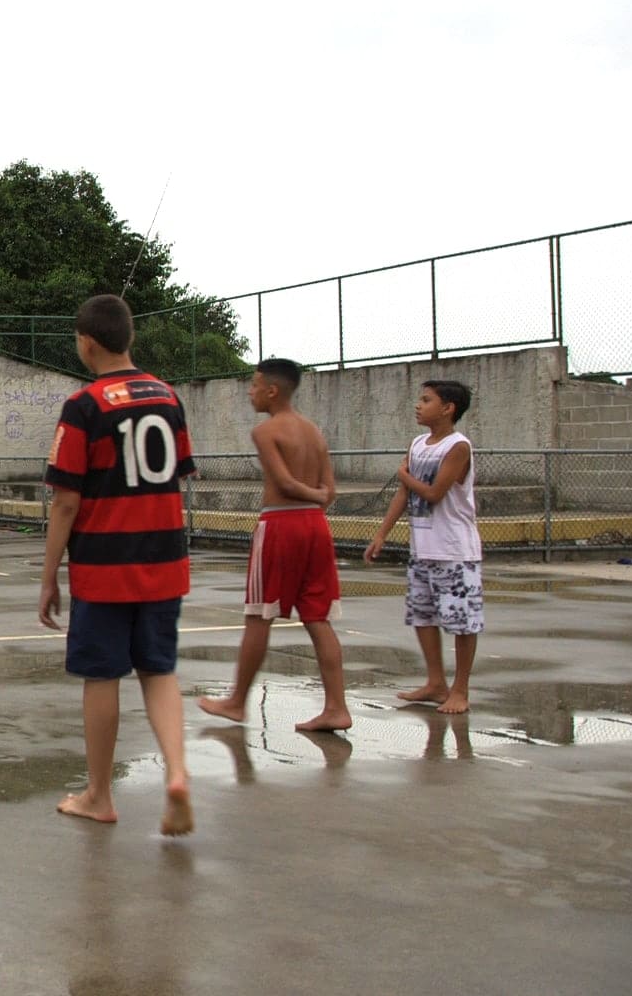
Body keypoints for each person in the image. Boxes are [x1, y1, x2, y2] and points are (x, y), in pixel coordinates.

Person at [38, 294, 195, 835]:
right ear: (130, 337)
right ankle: (176, 772)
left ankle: (100, 795)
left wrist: (49, 575)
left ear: (85, 341)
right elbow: (178, 472)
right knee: (159, 670)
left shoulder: (84, 406)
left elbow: (65, 501)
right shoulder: (168, 397)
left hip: (104, 564)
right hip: (164, 557)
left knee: (102, 674)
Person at [197, 358, 353, 732]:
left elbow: (283, 483)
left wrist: (309, 494)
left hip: (281, 525)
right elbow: (329, 491)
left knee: (258, 613)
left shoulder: (266, 432)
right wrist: (316, 497)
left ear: (272, 390)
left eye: (253, 385)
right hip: (316, 526)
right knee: (317, 616)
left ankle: (236, 701)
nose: (250, 392)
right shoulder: (313, 431)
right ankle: (336, 707)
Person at [365, 379, 483, 714]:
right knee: (423, 616)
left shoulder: (458, 446)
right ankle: (435, 683)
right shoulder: (418, 444)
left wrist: (404, 475)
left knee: (462, 622)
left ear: (448, 408)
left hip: (455, 550)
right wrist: (382, 534)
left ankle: (460, 690)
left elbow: (432, 493)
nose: (419, 405)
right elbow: (404, 495)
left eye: (426, 400)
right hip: (423, 548)